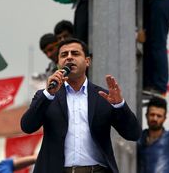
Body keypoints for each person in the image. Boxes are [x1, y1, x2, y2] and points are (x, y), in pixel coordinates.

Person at [21, 38, 141, 173]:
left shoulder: (103, 96)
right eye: (64, 55)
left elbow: (134, 134)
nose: (69, 57)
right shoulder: (47, 96)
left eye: (75, 53)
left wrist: (119, 105)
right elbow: (27, 126)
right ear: (58, 63)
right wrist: (48, 94)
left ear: (87, 61)